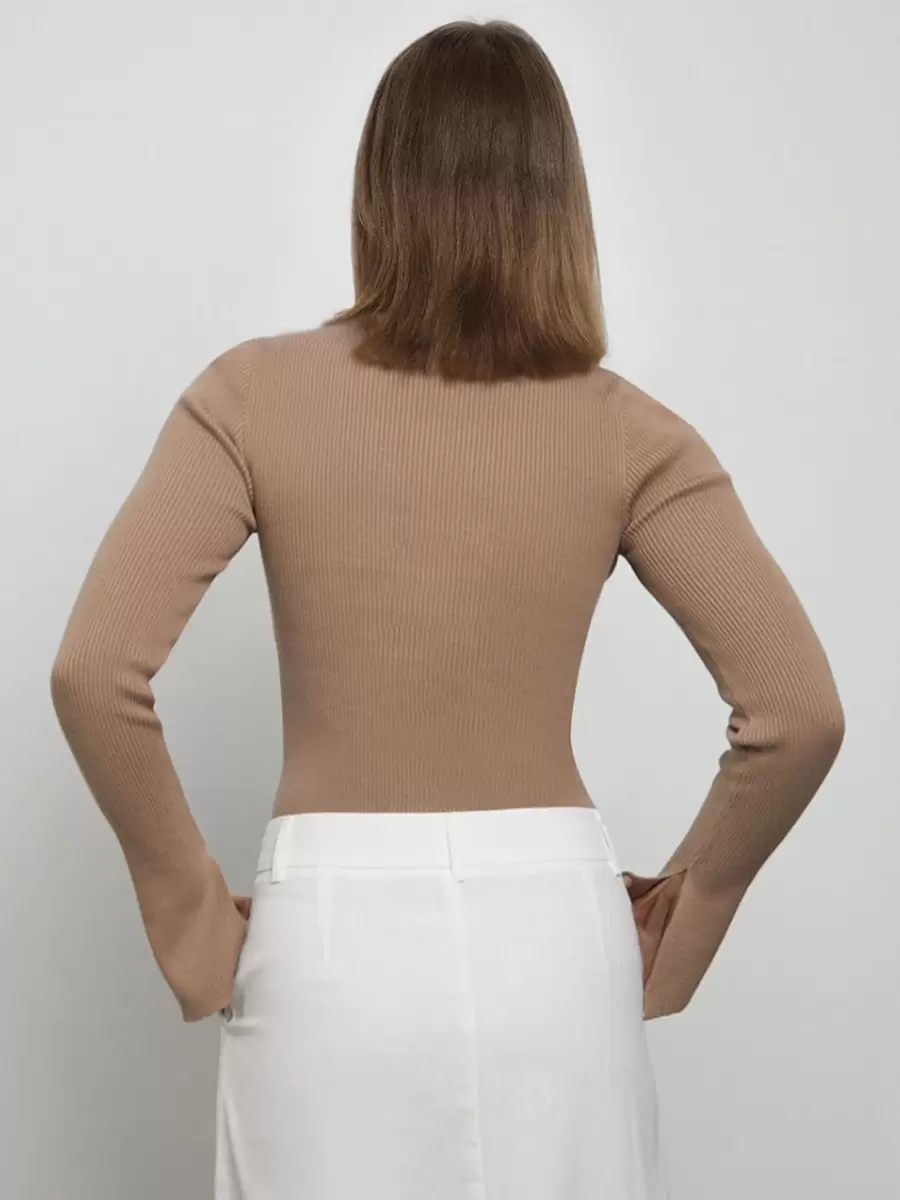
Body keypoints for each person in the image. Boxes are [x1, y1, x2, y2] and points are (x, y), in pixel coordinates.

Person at [49, 18, 845, 1200]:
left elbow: (93, 670)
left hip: (329, 948)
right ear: (558, 199)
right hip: (556, 944)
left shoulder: (251, 397)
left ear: (379, 187)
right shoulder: (628, 431)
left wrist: (195, 920)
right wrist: (690, 904)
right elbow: (798, 710)